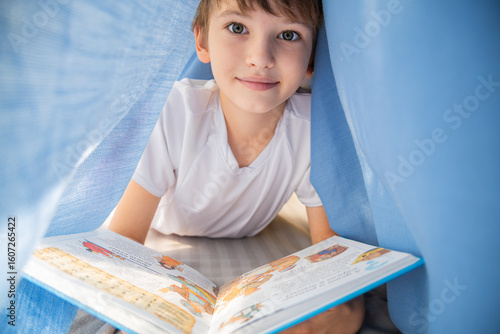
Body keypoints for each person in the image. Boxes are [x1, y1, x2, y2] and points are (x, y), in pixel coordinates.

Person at [109, 0, 364, 332]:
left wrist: (340, 308)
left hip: (250, 230)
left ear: (312, 58)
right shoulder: (176, 112)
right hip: (165, 224)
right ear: (203, 42)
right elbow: (124, 237)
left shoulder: (312, 127)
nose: (260, 57)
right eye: (238, 28)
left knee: (342, 316)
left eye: (288, 34)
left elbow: (329, 246)